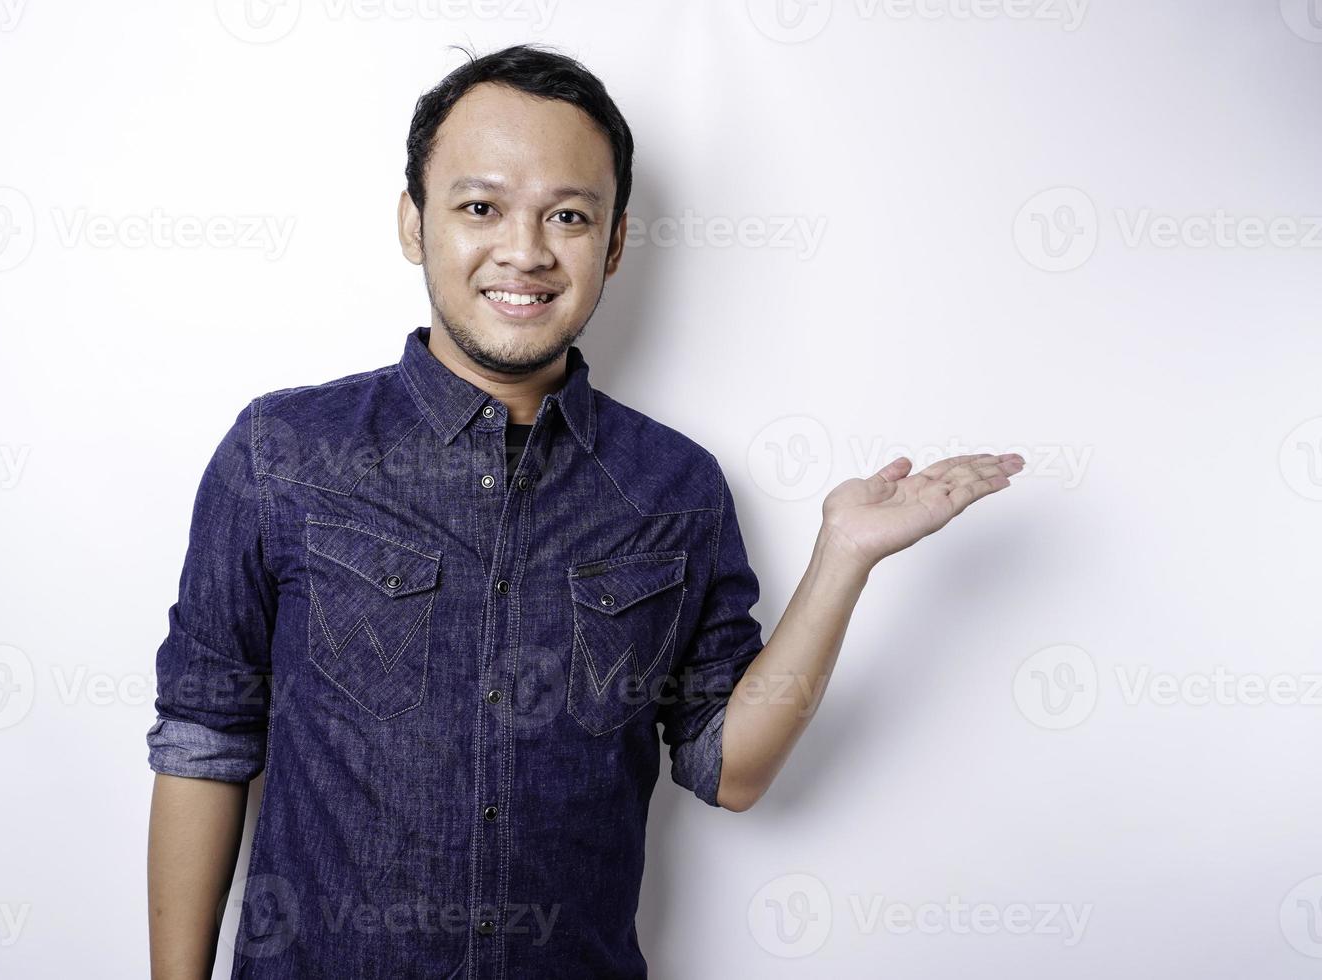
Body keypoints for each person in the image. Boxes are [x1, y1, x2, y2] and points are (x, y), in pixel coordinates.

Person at [145, 42, 1024, 980]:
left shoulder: (673, 487)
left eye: (567, 215)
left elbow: (730, 769)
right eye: (480, 207)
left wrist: (843, 557)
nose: (523, 250)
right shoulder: (284, 451)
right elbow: (205, 739)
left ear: (611, 242)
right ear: (414, 222)